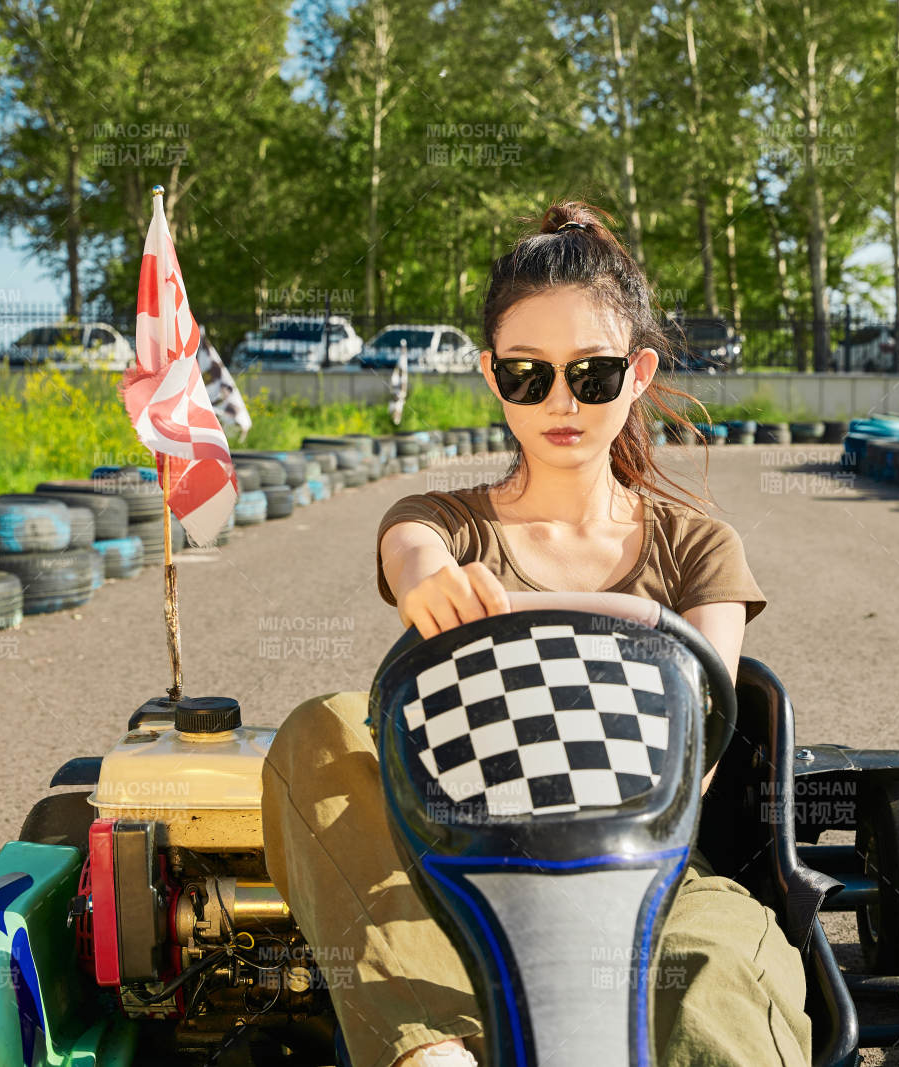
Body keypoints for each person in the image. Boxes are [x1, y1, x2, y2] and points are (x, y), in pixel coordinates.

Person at [261, 201, 811, 1067]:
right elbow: (410, 549)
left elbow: (697, 743)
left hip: (647, 868)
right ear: (492, 375)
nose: (561, 401)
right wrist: (429, 580)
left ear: (635, 374)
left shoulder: (698, 545)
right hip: (457, 864)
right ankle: (431, 1052)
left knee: (719, 964)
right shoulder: (446, 526)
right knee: (322, 727)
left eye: (589, 375)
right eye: (529, 374)